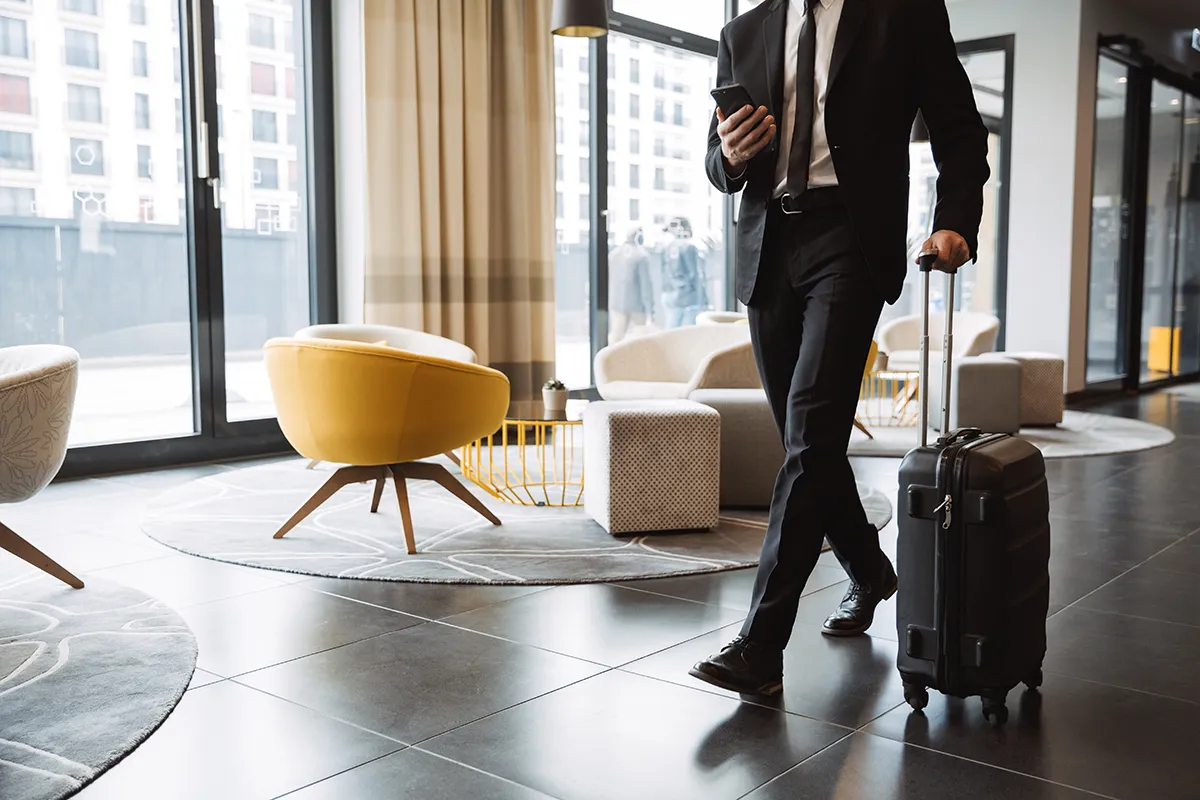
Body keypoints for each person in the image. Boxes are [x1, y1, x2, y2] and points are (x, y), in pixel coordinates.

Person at [688, 0, 990, 696]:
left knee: (811, 437)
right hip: (768, 247)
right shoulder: (743, 32)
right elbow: (718, 164)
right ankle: (870, 571)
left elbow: (958, 126)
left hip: (850, 240)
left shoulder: (903, 14)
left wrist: (955, 220)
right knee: (809, 444)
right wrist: (729, 155)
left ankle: (760, 646)